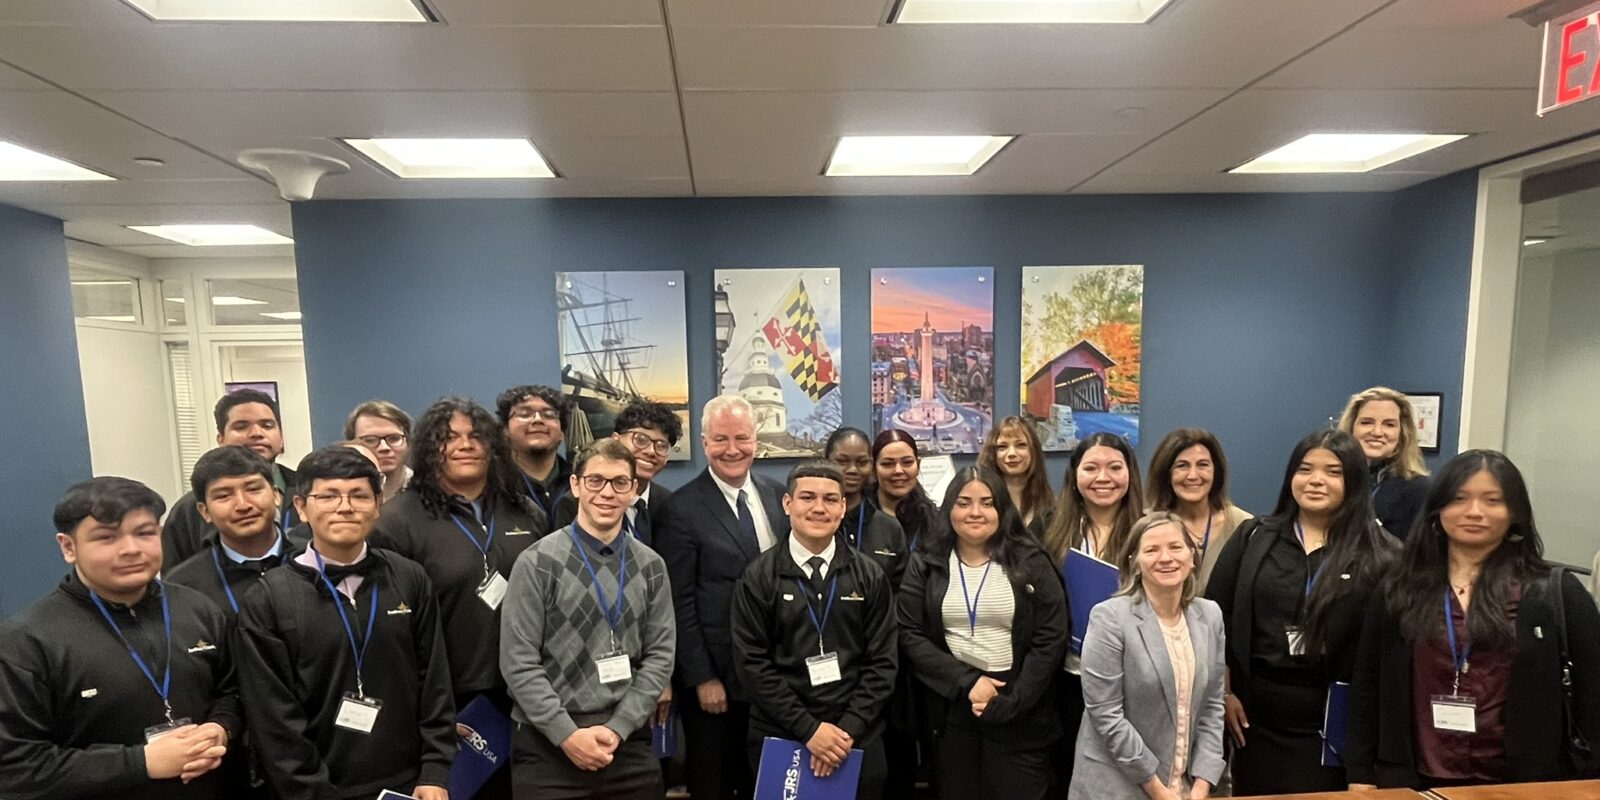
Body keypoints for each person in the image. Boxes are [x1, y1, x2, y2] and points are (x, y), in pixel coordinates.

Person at [1347, 450, 1600, 789]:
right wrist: (1360, 774)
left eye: (1492, 500)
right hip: (1414, 782)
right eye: (1460, 499)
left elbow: (1593, 696)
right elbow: (1366, 686)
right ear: (1438, 509)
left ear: (1515, 512)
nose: (1475, 512)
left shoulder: (1555, 592)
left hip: (1525, 787)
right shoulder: (1399, 589)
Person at [233, 446, 454, 800]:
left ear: (378, 504)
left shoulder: (409, 578)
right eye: (329, 496)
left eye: (359, 496)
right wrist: (313, 791)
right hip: (316, 789)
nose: (345, 507)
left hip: (408, 784)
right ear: (302, 508)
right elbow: (273, 718)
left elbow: (434, 683)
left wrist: (435, 771)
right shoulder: (268, 598)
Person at [0, 477, 240, 799]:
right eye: (106, 537)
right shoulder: (28, 640)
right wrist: (140, 762)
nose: (131, 549)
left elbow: (232, 691)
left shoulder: (198, 608)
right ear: (68, 547)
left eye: (145, 533)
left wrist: (221, 728)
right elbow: (17, 767)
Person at [370, 397, 548, 800]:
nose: (465, 445)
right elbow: (390, 631)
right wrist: (429, 713)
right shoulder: (397, 521)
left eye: (475, 436)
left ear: (493, 446)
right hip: (449, 701)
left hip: (525, 696)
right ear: (431, 448)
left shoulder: (524, 511)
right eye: (449, 438)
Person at [1204, 430, 1397, 795]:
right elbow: (1215, 620)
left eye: (1332, 472)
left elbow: (1386, 656)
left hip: (1334, 728)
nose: (1316, 481)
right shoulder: (1254, 537)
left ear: (1354, 481)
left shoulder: (1383, 555)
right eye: (1305, 469)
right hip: (1256, 725)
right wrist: (1225, 693)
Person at [500, 439, 676, 799]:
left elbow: (660, 656)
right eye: (595, 481)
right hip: (547, 747)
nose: (607, 493)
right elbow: (518, 662)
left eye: (619, 483)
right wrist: (566, 733)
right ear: (576, 485)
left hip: (626, 744)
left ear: (633, 490)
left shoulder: (651, 565)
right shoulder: (536, 563)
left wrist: (619, 728)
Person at [897, 467, 1070, 800]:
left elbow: (1051, 637)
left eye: (986, 503)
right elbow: (910, 633)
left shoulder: (1031, 561)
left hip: (1021, 707)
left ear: (1002, 510)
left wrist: (1013, 702)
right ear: (949, 508)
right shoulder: (926, 563)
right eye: (964, 502)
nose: (975, 512)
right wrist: (967, 682)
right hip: (951, 708)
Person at [731, 461, 899, 799]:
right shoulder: (758, 577)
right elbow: (752, 666)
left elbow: (883, 663)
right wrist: (810, 732)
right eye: (808, 497)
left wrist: (843, 732)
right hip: (781, 735)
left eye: (830, 499)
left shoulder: (869, 575)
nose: (819, 508)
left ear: (842, 507)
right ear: (787, 504)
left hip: (855, 735)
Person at [656, 395, 791, 800]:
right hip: (716, 681)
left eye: (741, 438)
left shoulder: (778, 496)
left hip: (776, 674)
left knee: (765, 780)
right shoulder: (680, 509)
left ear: (756, 440)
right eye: (720, 439)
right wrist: (702, 677)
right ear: (703, 443)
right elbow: (677, 601)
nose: (732, 449)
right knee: (713, 782)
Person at [1070, 512, 1226, 800]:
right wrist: (1159, 791)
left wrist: (1202, 785)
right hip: (1117, 788)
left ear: (1192, 557)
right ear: (1135, 563)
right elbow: (1106, 716)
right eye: (1152, 550)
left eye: (1176, 547)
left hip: (1187, 788)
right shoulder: (1109, 619)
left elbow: (1213, 706)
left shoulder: (1210, 616)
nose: (1165, 558)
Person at [1040, 432, 1144, 790]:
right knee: (1070, 773)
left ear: (1130, 473)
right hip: (1067, 680)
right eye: (1091, 468)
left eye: (1115, 467)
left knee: (1125, 778)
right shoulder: (1048, 528)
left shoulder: (1148, 530)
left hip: (1132, 682)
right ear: (1074, 475)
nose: (1103, 478)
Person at [162, 389, 300, 566]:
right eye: (241, 426)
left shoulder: (310, 493)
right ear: (221, 439)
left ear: (281, 438)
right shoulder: (189, 509)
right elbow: (176, 582)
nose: (256, 433)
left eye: (267, 425)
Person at [165, 446, 290, 617]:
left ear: (276, 495)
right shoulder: (183, 585)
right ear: (205, 512)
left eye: (253, 489)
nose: (243, 505)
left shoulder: (314, 561)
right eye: (224, 496)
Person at [552, 399, 684, 543]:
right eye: (640, 440)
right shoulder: (578, 501)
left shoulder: (669, 503)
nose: (651, 451)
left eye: (661, 445)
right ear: (616, 440)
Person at [1144, 428, 1251, 592]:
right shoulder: (1147, 525)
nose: (1193, 475)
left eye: (1203, 465)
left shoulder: (1243, 526)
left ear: (1216, 471)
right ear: (1166, 473)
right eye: (1182, 466)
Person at [1337, 387, 1431, 539]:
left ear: (1402, 434)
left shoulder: (1419, 489)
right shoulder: (1335, 481)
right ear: (1351, 428)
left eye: (1389, 424)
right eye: (1367, 422)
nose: (1377, 432)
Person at [825, 427, 910, 586]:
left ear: (872, 465)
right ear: (826, 461)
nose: (852, 470)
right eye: (842, 461)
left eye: (862, 462)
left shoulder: (889, 528)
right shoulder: (814, 522)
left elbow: (901, 590)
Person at [499, 384, 572, 523]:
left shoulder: (582, 482)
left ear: (562, 433)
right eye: (525, 414)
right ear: (505, 431)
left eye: (549, 415)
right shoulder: (493, 485)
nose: (538, 420)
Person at [979, 416, 1054, 540]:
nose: (1012, 453)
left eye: (1021, 445)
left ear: (1033, 451)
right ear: (993, 453)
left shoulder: (1051, 507)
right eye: (1002, 447)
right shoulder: (980, 503)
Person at [870, 429, 937, 554]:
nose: (898, 471)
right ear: (874, 468)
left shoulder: (933, 521)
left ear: (918, 465)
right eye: (888, 464)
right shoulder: (860, 518)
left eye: (907, 462)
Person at [344, 400, 413, 504]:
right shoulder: (338, 494)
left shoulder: (427, 492)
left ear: (407, 442)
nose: (384, 447)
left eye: (394, 438)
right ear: (352, 446)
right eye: (370, 440)